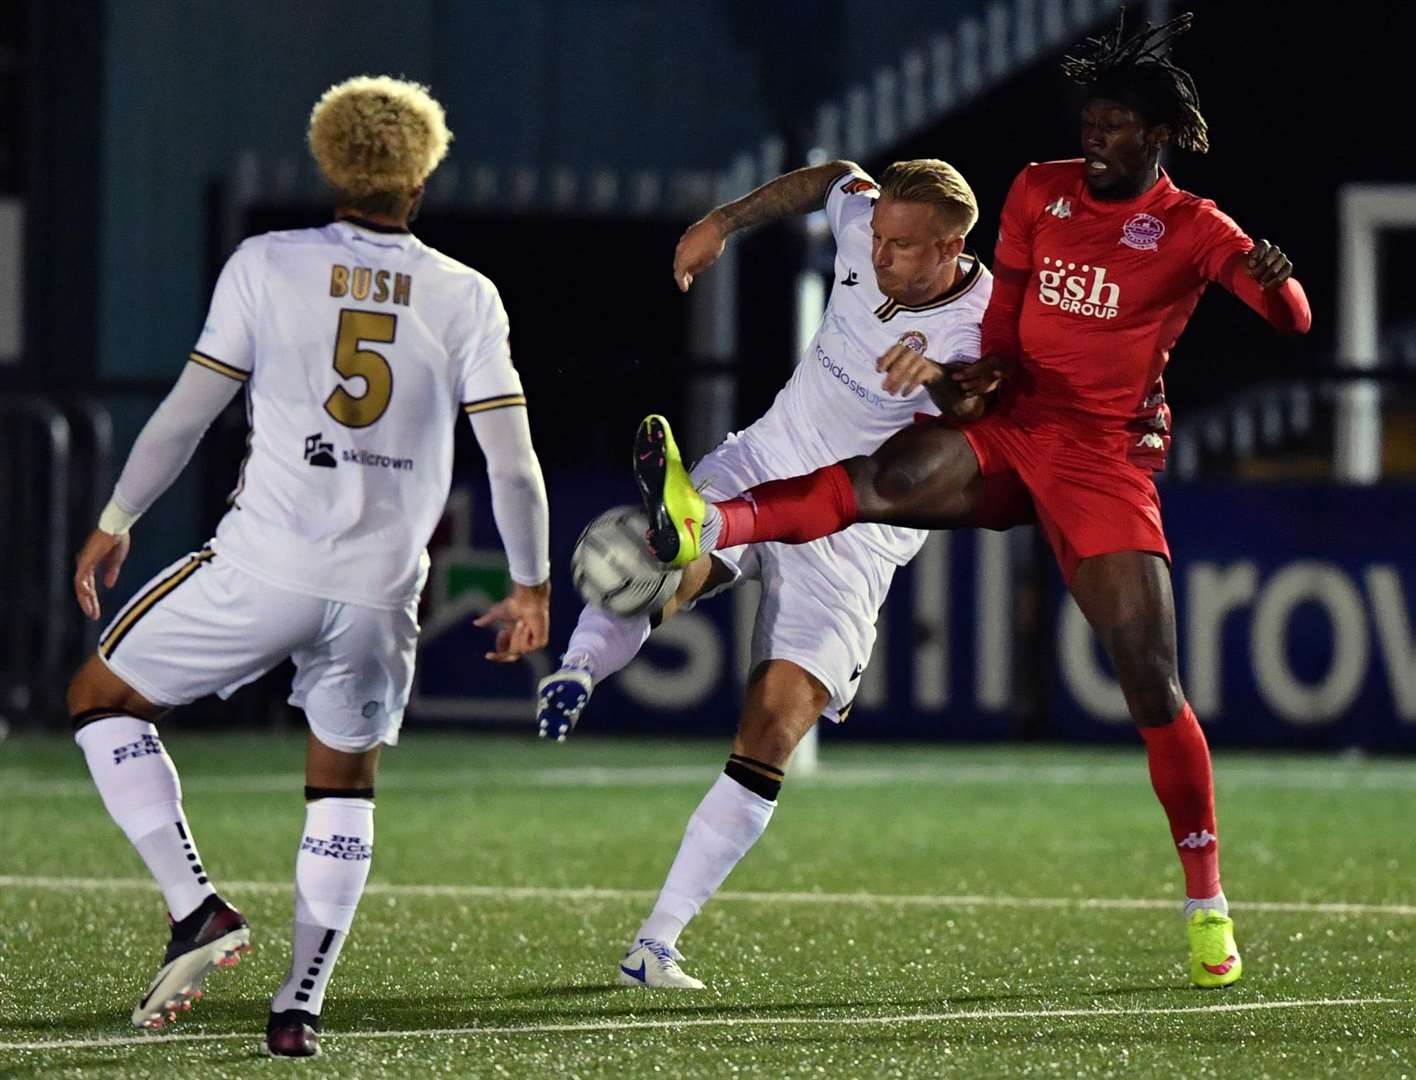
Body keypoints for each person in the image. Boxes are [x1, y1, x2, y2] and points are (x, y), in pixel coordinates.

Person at [634, 11, 1311, 990]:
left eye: (1116, 124)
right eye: (1093, 117)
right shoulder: (1039, 190)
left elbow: (1287, 317)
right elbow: (1000, 330)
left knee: (1149, 679)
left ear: (1156, 133)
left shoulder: (1197, 227)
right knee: (886, 480)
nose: (1096, 134)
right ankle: (711, 520)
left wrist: (1280, 284)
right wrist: (971, 385)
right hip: (1016, 425)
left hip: (1101, 464)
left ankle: (1206, 901)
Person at [66, 75, 550, 1055]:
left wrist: (118, 516)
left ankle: (196, 907)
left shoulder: (267, 263)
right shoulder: (466, 294)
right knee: (343, 787)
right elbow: (513, 463)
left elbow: (186, 416)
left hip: (264, 567)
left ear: (330, 165)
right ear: (420, 182)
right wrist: (532, 582)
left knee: (99, 701)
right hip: (380, 594)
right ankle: (299, 1006)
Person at [538, 158, 993, 988]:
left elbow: (985, 408)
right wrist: (722, 222)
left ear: (951, 245)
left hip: (859, 532)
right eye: (878, 237)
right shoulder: (863, 216)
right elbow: (830, 179)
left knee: (776, 726)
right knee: (678, 566)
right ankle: (578, 665)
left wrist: (941, 380)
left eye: (901, 246)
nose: (878, 254)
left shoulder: (989, 318)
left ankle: (655, 942)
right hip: (768, 461)